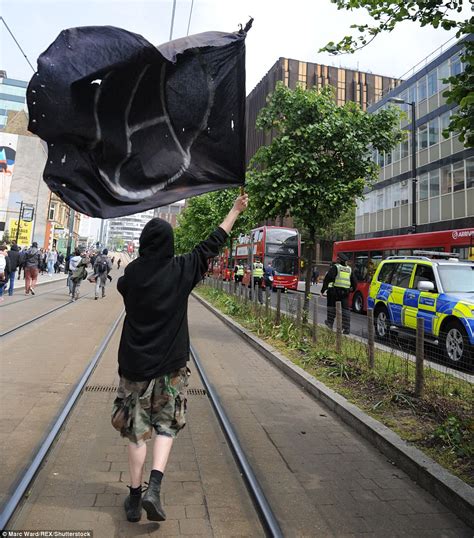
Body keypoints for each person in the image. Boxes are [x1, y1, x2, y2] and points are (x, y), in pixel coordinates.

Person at [112, 193, 248, 524]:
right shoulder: (181, 270)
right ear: (170, 244)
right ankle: (154, 488)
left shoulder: (132, 276)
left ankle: (134, 497)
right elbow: (211, 244)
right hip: (171, 368)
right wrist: (234, 210)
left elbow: (121, 285)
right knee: (165, 426)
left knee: (135, 431)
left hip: (134, 368)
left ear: (143, 243)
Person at [321, 253, 357, 334]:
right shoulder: (349, 269)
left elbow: (327, 279)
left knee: (331, 307)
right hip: (345, 293)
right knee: (345, 310)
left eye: (338, 259)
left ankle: (330, 323)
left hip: (335, 292)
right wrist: (352, 290)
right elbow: (355, 282)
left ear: (339, 260)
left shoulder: (336, 267)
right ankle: (346, 329)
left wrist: (323, 290)